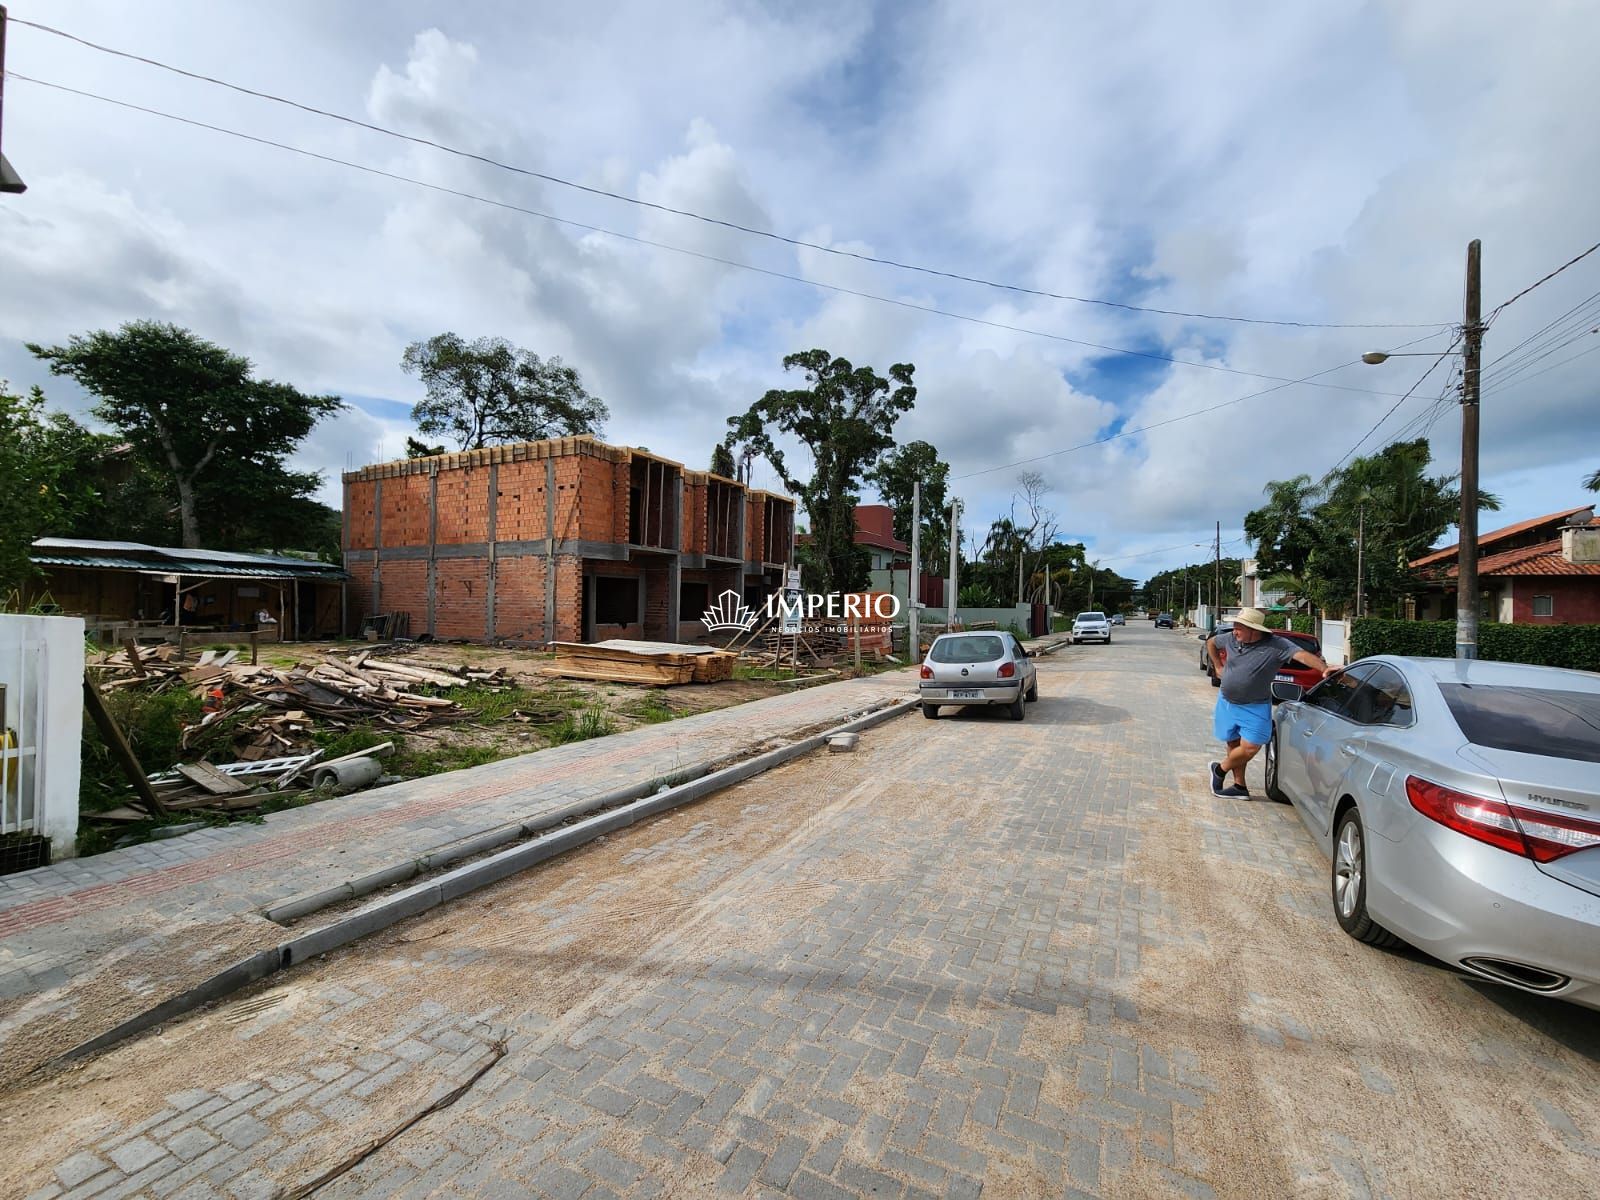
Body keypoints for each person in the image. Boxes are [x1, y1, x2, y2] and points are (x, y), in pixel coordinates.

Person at [1206, 608, 1330, 799]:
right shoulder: (1231, 638)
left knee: (1250, 747)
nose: (1234, 630)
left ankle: (1220, 770)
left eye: (1239, 627)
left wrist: (1324, 669)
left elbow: (1302, 655)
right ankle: (1239, 786)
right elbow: (1211, 642)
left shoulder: (1277, 645)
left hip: (1255, 705)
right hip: (1227, 701)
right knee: (1233, 742)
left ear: (1253, 630)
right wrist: (1217, 666)